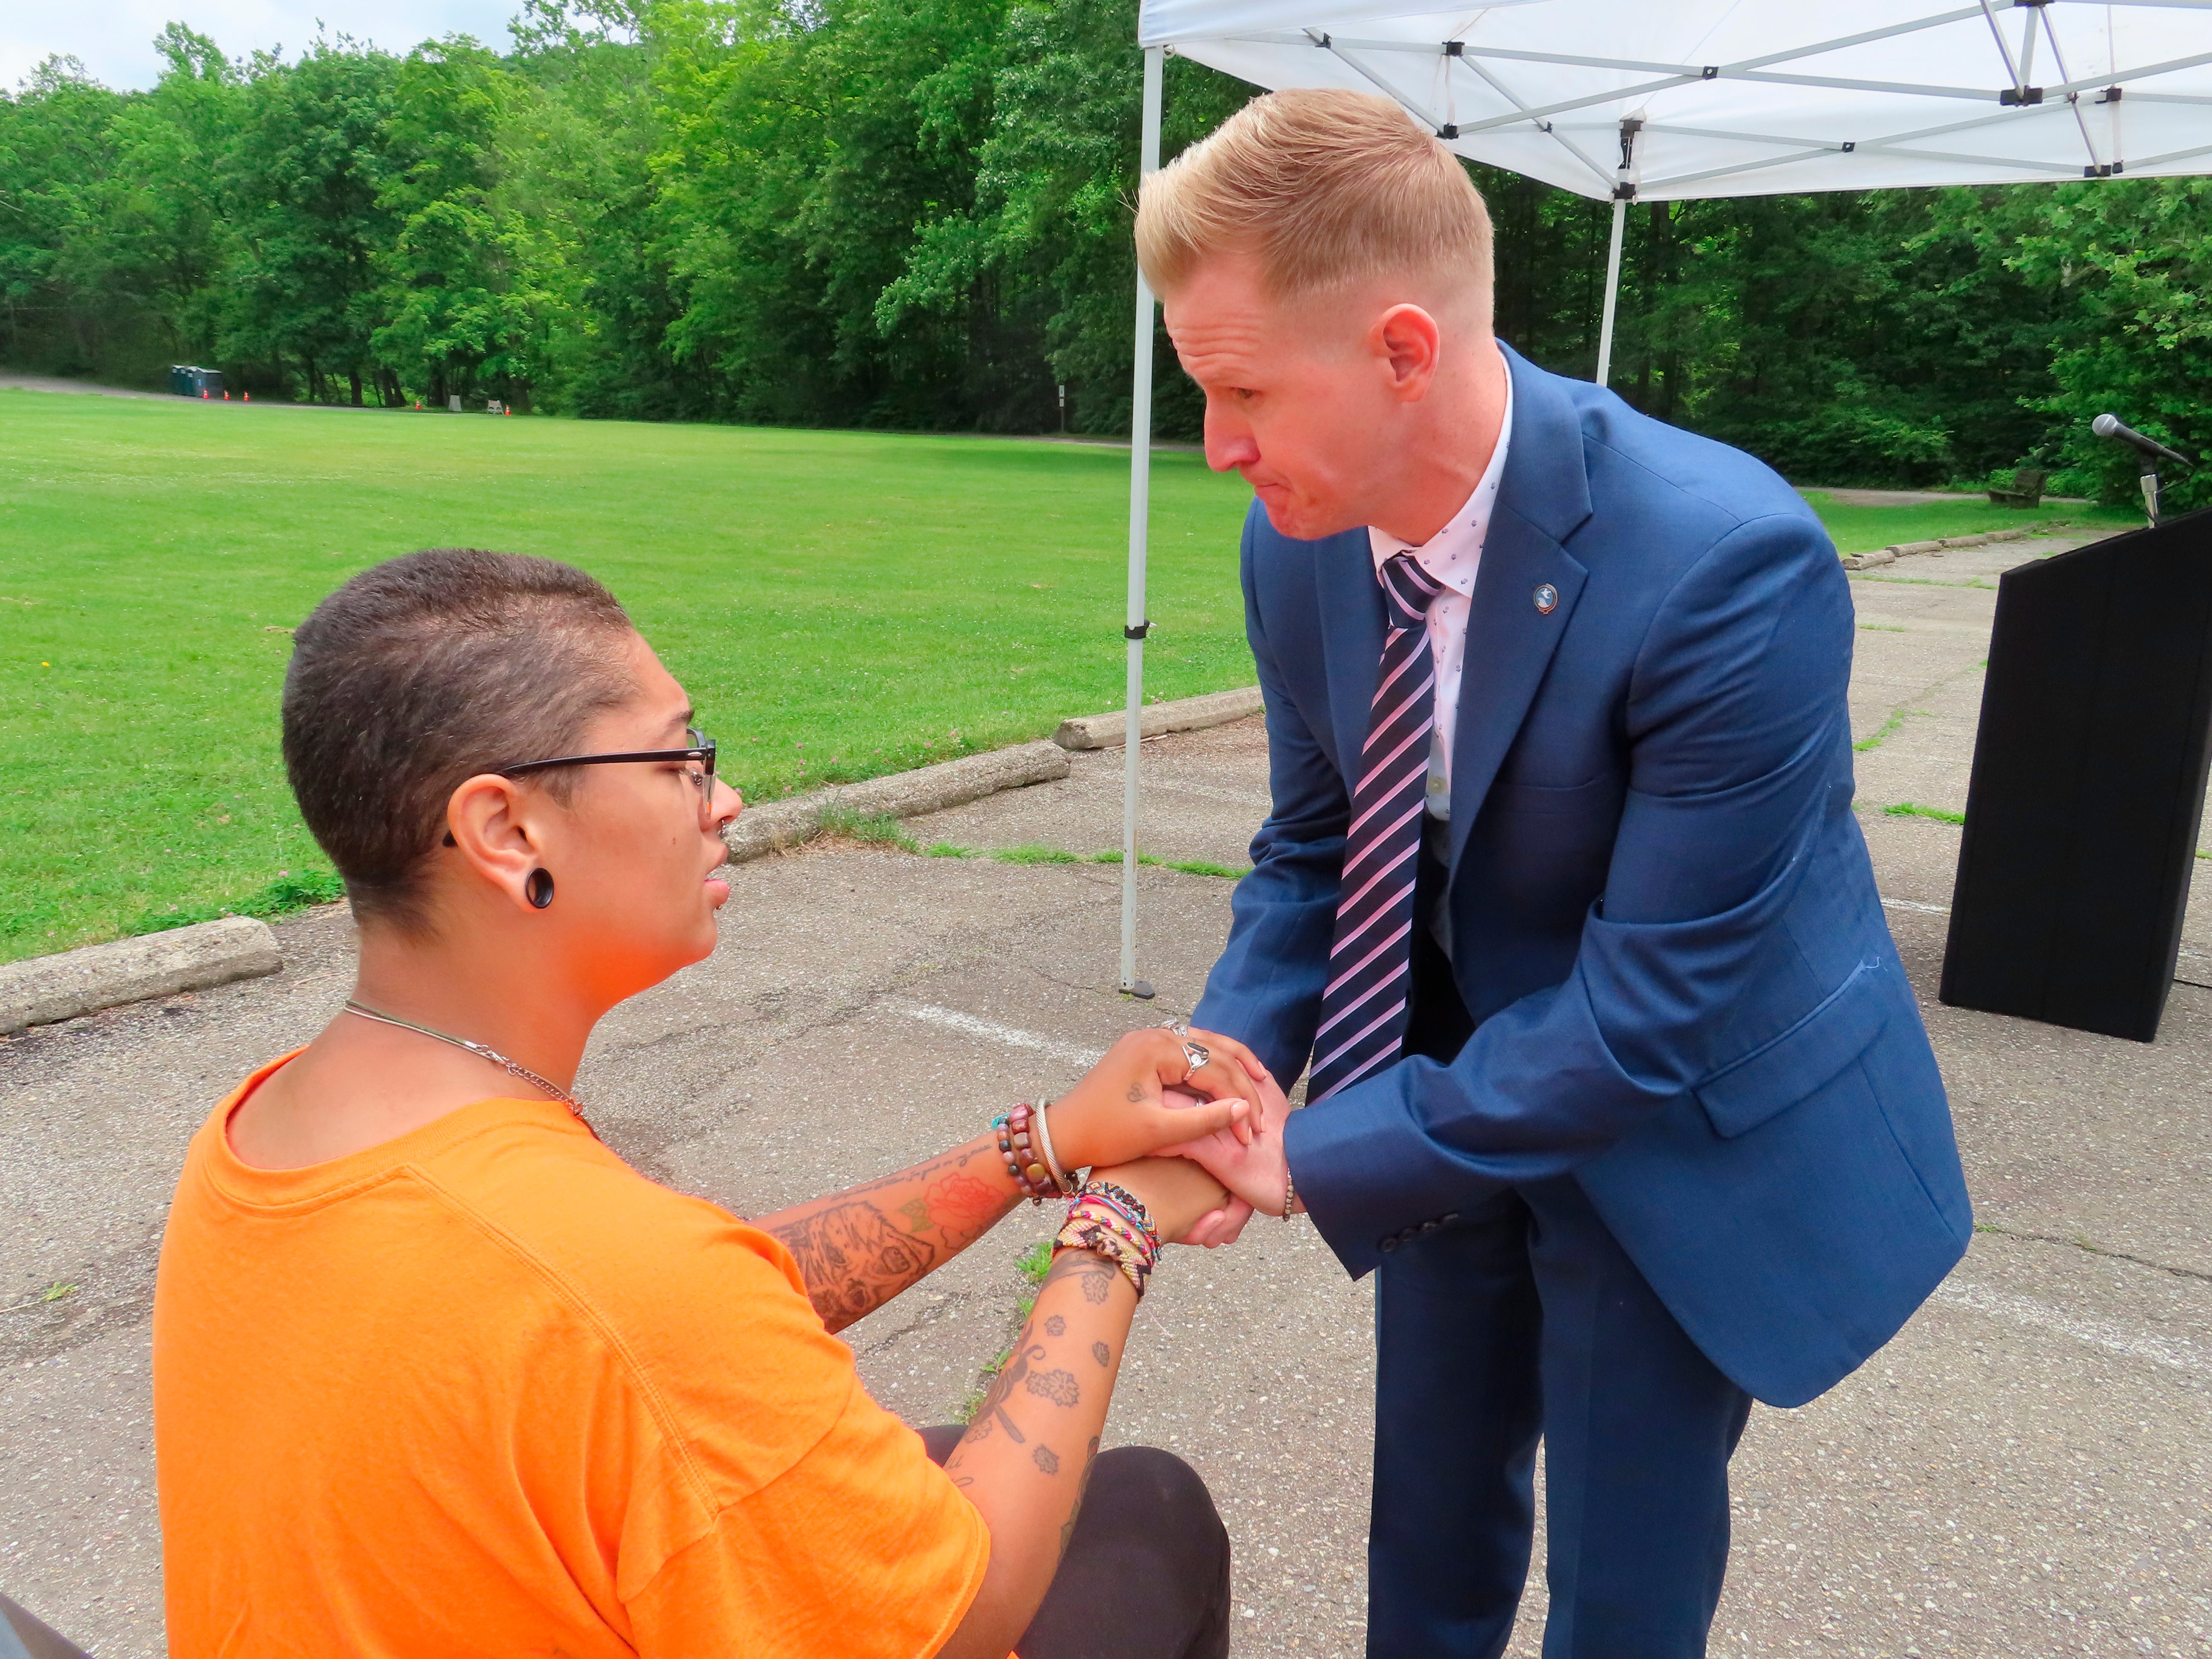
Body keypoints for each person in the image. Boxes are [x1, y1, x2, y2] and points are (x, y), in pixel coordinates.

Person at [1145, 91, 1973, 1656]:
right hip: (1447, 1081)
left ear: (1402, 350)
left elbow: (1656, 1009)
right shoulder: (1296, 538)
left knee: (1625, 1580)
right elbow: (1316, 850)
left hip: (1673, 1131)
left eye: (1242, 388)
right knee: (1431, 1514)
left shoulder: (1729, 564)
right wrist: (1220, 1068)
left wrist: (1311, 1157)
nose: (1217, 450)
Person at [151, 547, 1266, 1659]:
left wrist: (1047, 1144)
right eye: (681, 757)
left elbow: (685, 1313)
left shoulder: (266, 1134)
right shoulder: (612, 1286)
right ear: (507, 831)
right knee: (1147, 1520)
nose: (723, 796)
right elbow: (966, 1612)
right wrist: (1114, 1220)